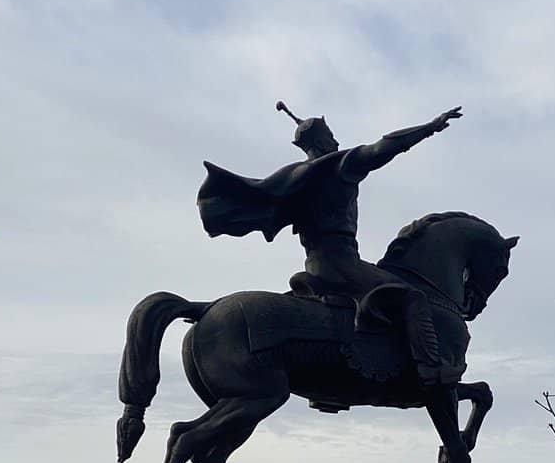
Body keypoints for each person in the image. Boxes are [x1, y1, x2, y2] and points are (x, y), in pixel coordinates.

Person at [197, 101, 462, 383]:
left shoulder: (295, 177)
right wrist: (430, 127)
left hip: (316, 265)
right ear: (322, 139)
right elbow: (382, 148)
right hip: (341, 263)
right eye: (331, 135)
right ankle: (430, 367)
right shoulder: (338, 167)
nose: (336, 140)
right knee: (412, 296)